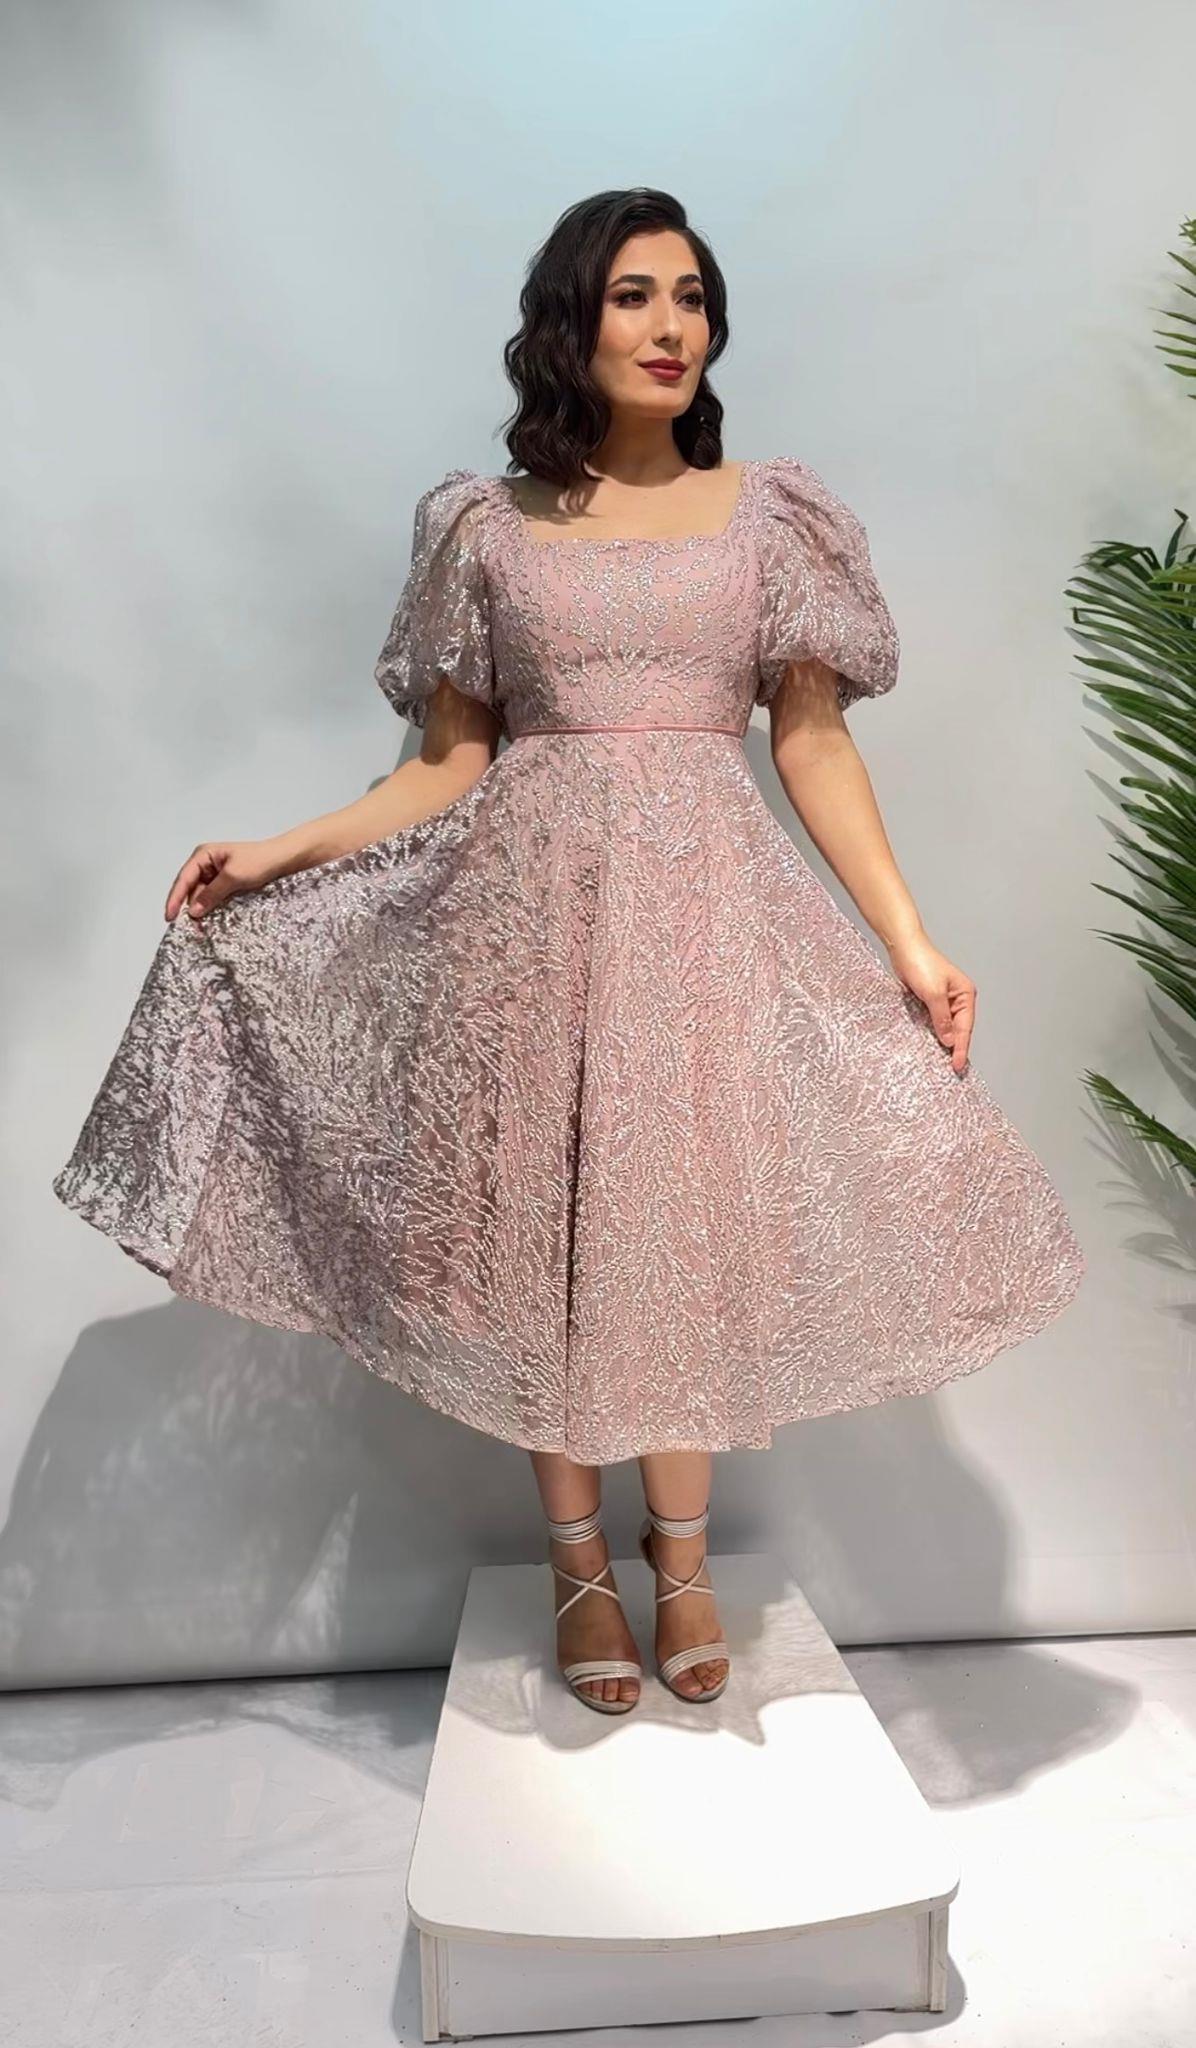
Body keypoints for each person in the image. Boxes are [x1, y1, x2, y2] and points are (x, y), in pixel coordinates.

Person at [52, 188, 1086, 1718]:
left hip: (705, 930)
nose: (671, 326)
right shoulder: (486, 526)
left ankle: (684, 1559)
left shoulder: (770, 517)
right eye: (633, 295)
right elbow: (444, 764)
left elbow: (811, 743)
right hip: (523, 931)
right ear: (570, 320)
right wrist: (278, 850)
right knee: (542, 1240)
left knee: (683, 1230)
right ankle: (579, 1563)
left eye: (692, 296)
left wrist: (911, 939)